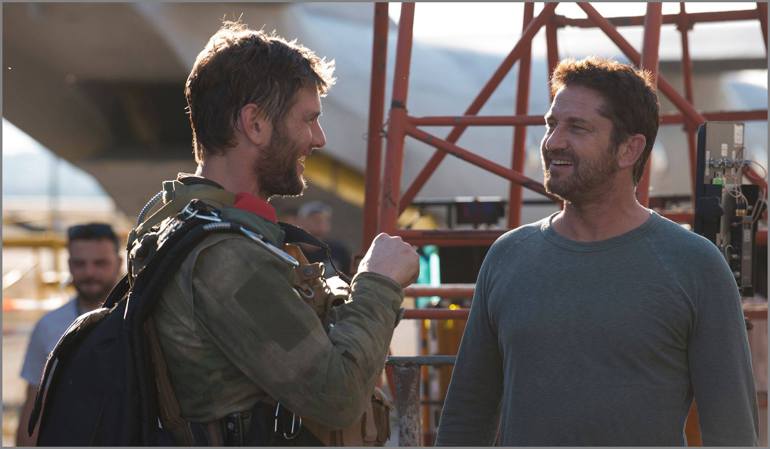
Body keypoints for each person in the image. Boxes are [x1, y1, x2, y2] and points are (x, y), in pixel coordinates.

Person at [435, 57, 758, 446]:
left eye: (577, 128)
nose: (553, 142)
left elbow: (732, 431)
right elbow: (466, 417)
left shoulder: (694, 265)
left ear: (629, 149)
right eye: (552, 124)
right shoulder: (507, 257)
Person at [130, 21, 419, 445]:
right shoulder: (228, 258)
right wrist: (379, 283)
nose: (318, 139)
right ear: (255, 124)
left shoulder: (183, 225)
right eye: (308, 119)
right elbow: (336, 396)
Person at [15, 223, 122, 446]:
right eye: (80, 263)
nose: (89, 272)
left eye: (100, 263)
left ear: (119, 263)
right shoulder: (48, 326)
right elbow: (34, 407)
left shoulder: (143, 321)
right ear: (69, 265)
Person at [297, 200, 353, 275]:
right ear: (301, 222)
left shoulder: (339, 251)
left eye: (325, 219)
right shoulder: (292, 251)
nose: (321, 223)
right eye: (315, 219)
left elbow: (350, 277)